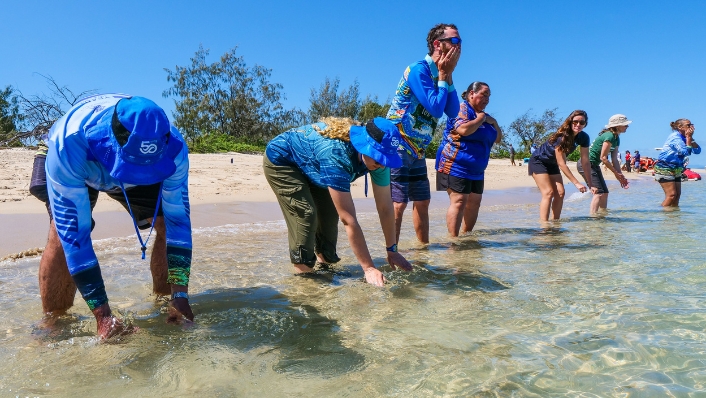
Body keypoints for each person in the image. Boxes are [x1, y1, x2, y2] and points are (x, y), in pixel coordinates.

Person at [29, 94, 193, 339]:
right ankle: (54, 321)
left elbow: (179, 223)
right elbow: (75, 236)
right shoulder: (69, 143)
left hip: (135, 158)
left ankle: (165, 304)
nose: (138, 176)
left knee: (167, 225)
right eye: (135, 168)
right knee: (61, 235)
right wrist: (103, 316)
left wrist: (180, 295)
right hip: (79, 162)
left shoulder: (174, 148)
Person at [263, 117, 413, 287]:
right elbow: (348, 219)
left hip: (315, 164)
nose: (381, 165)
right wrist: (369, 268)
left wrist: (392, 251)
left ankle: (325, 270)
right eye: (378, 159)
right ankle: (305, 283)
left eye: (386, 160)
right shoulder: (337, 154)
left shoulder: (379, 163)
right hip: (283, 160)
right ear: (364, 145)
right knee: (306, 214)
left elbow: (386, 207)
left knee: (329, 216)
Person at [386, 23, 461, 244]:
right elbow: (436, 108)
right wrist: (444, 75)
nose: (459, 47)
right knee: (398, 203)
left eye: (460, 42)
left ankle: (423, 253)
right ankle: (393, 254)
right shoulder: (418, 70)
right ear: (438, 44)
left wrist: (448, 77)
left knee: (422, 201)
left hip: (417, 149)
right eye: (454, 41)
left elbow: (453, 111)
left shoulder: (440, 73)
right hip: (397, 144)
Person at [435, 82, 501, 236]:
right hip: (455, 164)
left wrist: (494, 122)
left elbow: (498, 138)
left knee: (474, 203)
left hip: (477, 170)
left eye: (489, 96)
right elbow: (463, 129)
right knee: (459, 202)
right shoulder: (462, 108)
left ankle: (467, 237)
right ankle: (453, 241)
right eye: (484, 94)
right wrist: (481, 119)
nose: (487, 99)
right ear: (472, 93)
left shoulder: (485, 116)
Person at [528, 110, 592, 221]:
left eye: (582, 122)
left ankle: (555, 224)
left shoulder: (584, 138)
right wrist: (576, 183)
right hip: (539, 161)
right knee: (548, 193)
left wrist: (590, 183)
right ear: (570, 121)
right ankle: (545, 227)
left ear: (585, 124)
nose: (578, 125)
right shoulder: (562, 137)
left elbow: (585, 162)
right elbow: (561, 164)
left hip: (552, 164)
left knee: (561, 193)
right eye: (575, 121)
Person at [578, 114, 631, 214]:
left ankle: (602, 216)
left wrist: (620, 176)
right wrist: (616, 173)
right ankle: (593, 219)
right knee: (598, 193)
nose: (627, 126)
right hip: (586, 164)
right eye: (625, 125)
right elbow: (603, 158)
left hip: (594, 165)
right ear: (617, 125)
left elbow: (614, 159)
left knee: (605, 193)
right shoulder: (609, 136)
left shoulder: (616, 138)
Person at [654, 119, 701, 207]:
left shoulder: (685, 137)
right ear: (680, 127)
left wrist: (691, 139)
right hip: (665, 167)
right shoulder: (675, 137)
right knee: (671, 195)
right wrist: (689, 138)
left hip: (677, 168)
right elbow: (686, 152)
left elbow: (698, 150)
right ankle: (661, 214)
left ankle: (674, 218)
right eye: (688, 125)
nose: (691, 127)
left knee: (677, 195)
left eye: (691, 124)